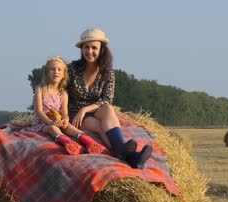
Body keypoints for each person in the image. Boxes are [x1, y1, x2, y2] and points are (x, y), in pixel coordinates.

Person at [68, 28, 153, 169]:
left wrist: (86, 109)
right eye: (86, 47)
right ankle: (132, 157)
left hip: (94, 108)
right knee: (102, 127)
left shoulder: (107, 72)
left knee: (107, 108)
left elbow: (107, 99)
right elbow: (61, 91)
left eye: (94, 47)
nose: (89, 51)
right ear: (81, 49)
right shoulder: (72, 69)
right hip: (76, 113)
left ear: (101, 49)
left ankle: (121, 152)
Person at [25, 56, 107, 155]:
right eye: (52, 69)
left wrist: (65, 120)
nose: (56, 72)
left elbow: (64, 112)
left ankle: (88, 141)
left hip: (58, 120)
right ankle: (66, 141)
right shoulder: (40, 89)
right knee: (52, 129)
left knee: (70, 127)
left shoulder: (63, 93)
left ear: (64, 75)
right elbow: (39, 111)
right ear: (47, 73)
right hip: (43, 123)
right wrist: (50, 122)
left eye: (59, 70)